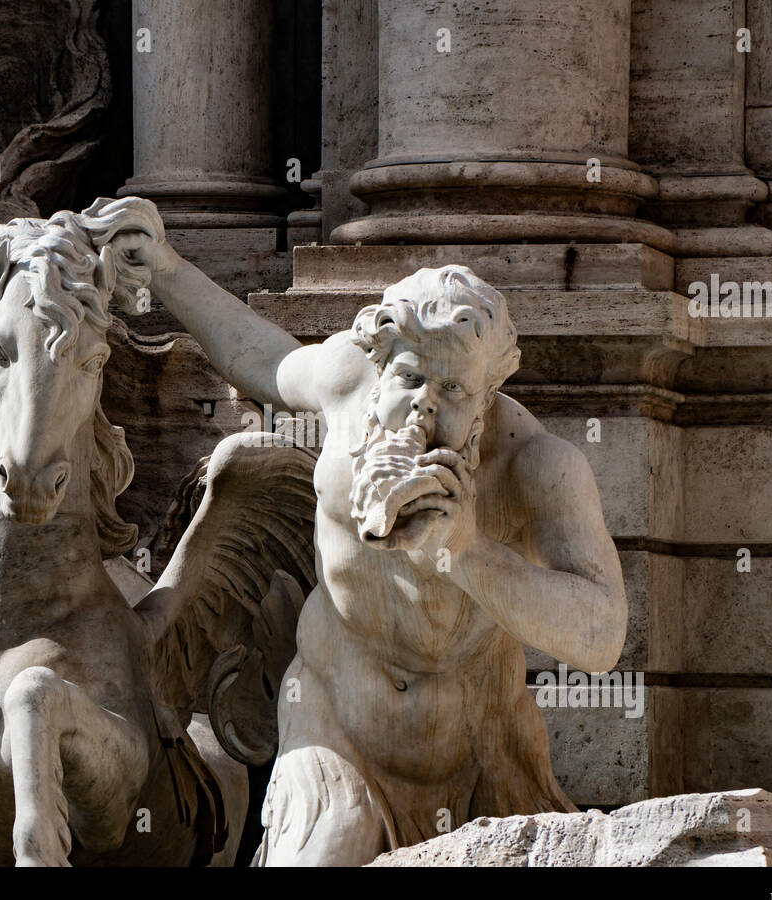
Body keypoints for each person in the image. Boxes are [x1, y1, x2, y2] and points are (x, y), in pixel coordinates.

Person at [104, 198, 627, 865]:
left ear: (486, 397)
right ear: (380, 364)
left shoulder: (538, 467)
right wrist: (166, 268)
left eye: (453, 392)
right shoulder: (348, 379)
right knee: (324, 854)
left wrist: (466, 552)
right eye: (408, 379)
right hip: (337, 723)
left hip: (482, 743)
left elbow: (602, 636)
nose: (423, 407)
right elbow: (256, 355)